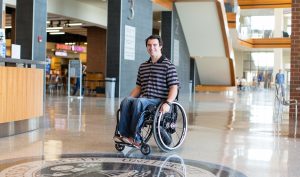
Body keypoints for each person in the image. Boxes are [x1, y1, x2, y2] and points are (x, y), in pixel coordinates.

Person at [113, 34, 180, 148]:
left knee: (139, 102)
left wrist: (168, 103)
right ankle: (123, 135)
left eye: (155, 45)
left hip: (158, 101)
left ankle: (135, 138)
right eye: (149, 45)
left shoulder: (168, 66)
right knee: (126, 101)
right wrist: (130, 100)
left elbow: (174, 87)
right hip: (145, 99)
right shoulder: (143, 66)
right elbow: (139, 87)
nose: (151, 47)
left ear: (160, 46)